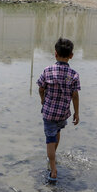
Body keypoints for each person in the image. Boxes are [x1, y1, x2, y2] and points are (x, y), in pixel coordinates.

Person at [36, 38, 80, 182]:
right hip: (63, 113)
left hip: (49, 112)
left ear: (55, 54)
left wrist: (43, 99)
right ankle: (52, 157)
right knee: (57, 132)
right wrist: (77, 113)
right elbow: (75, 96)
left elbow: (41, 88)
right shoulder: (74, 75)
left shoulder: (47, 71)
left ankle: (53, 169)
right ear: (71, 55)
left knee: (50, 138)